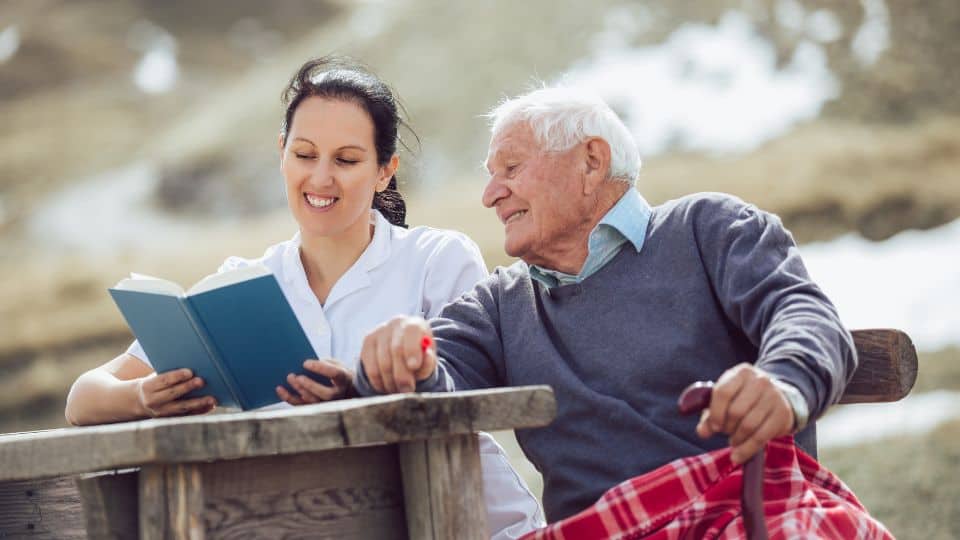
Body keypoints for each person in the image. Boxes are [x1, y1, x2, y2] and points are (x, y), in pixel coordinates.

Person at [64, 57, 544, 539]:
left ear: (384, 171)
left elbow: (467, 396)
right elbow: (83, 398)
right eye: (305, 154)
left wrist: (362, 391)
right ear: (282, 154)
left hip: (467, 521)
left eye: (347, 160)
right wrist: (144, 398)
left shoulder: (436, 259)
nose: (320, 178)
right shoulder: (238, 285)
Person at [353, 87, 861, 524]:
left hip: (741, 516)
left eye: (510, 167)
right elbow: (435, 374)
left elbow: (802, 312)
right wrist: (402, 357)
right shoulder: (501, 304)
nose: (490, 195)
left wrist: (784, 382)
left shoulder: (709, 228)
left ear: (591, 162)